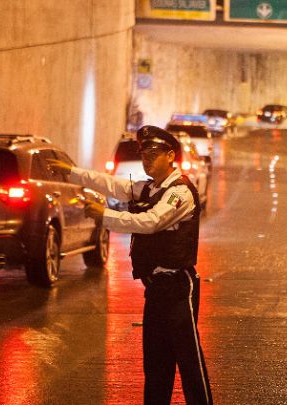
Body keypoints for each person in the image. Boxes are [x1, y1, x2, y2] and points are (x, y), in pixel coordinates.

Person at [50, 125, 213, 405]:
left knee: (189, 361)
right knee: (156, 362)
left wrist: (106, 216)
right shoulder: (149, 188)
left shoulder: (180, 192)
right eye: (143, 153)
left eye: (153, 152)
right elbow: (114, 185)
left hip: (177, 287)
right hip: (157, 290)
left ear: (170, 155)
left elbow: (151, 222)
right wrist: (72, 172)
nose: (146, 158)